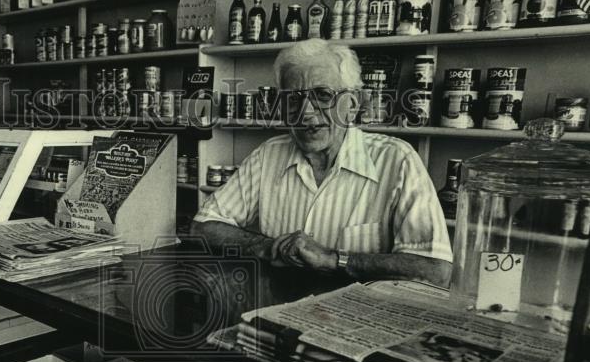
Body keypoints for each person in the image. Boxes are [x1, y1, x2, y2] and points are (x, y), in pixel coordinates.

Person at [192, 39, 452, 286]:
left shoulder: (397, 160)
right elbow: (203, 226)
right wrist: (267, 247)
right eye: (293, 99)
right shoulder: (268, 155)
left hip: (355, 322)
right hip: (279, 312)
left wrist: (334, 260)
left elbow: (435, 271)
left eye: (323, 95)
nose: (305, 112)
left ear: (352, 104)